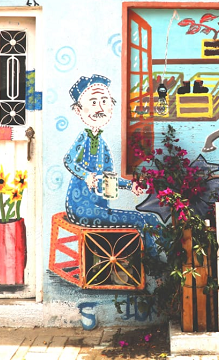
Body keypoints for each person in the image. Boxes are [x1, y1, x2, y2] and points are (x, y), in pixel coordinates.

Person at [63, 74, 161, 250]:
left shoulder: (104, 146)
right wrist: (86, 176)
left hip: (100, 208)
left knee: (152, 219)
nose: (100, 107)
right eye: (93, 102)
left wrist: (130, 185)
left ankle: (171, 258)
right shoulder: (84, 138)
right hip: (81, 210)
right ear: (79, 110)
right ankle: (156, 269)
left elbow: (111, 179)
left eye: (104, 101)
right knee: (140, 220)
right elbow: (68, 160)